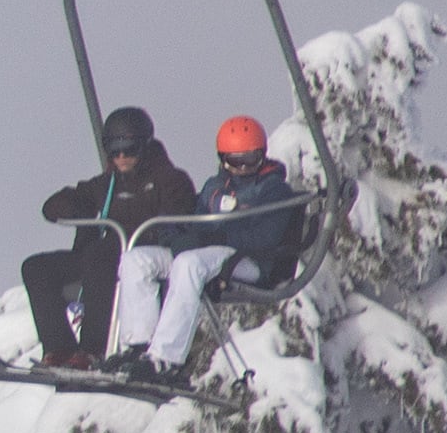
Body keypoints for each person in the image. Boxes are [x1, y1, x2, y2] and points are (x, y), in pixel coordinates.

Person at [102, 115, 311, 375]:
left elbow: (264, 237)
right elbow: (196, 220)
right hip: (211, 255)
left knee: (189, 264)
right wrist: (176, 236)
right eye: (236, 161)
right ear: (223, 159)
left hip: (249, 261)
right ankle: (138, 344)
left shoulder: (272, 190)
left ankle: (165, 359)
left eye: (251, 160)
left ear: (262, 156)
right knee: (137, 260)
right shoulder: (215, 187)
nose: (243, 168)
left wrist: (215, 238)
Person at [23, 106, 200, 367]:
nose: (121, 158)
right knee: (36, 267)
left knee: (100, 253)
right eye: (114, 151)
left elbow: (179, 217)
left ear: (144, 146)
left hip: (144, 257)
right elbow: (66, 201)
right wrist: (72, 207)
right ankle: (59, 347)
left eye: (129, 150)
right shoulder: (108, 184)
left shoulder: (169, 179)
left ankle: (92, 349)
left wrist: (152, 233)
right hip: (105, 257)